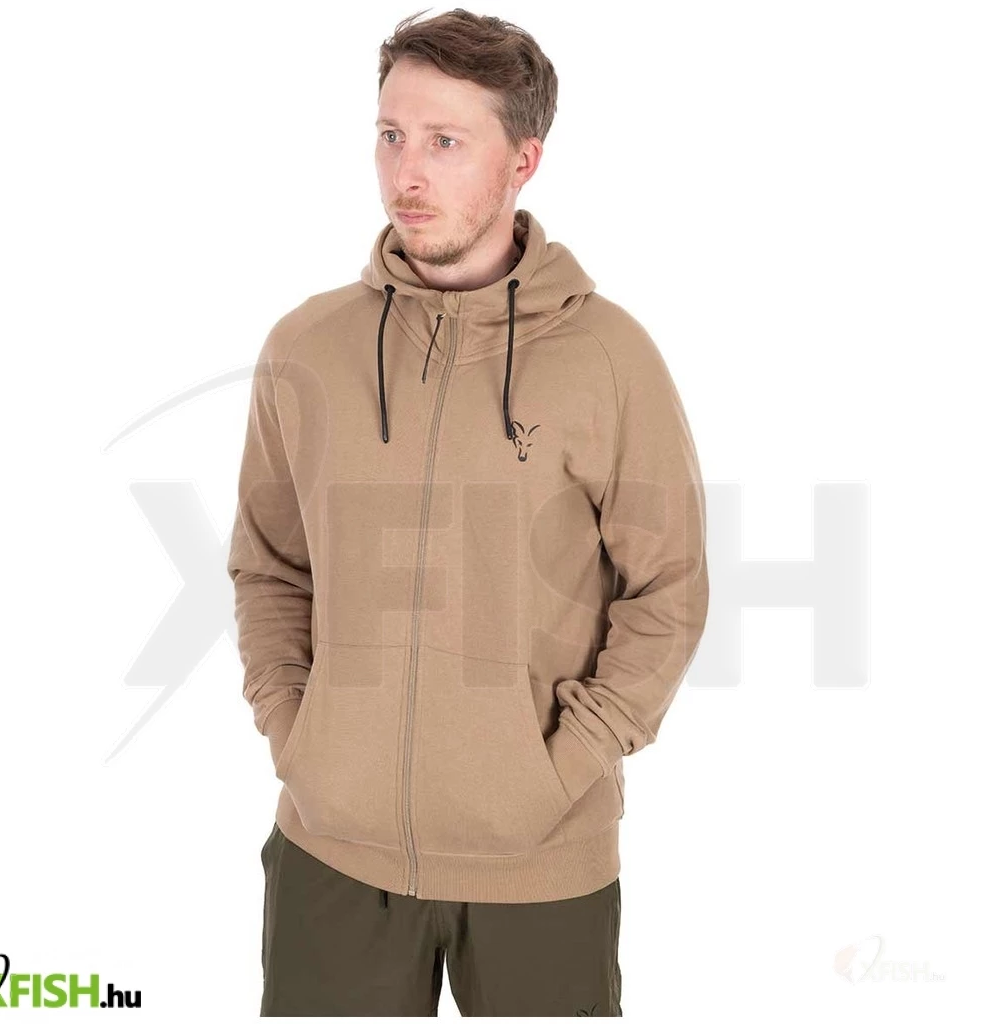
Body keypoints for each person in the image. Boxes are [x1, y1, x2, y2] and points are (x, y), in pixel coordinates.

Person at [227, 8, 709, 1016]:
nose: (406, 172)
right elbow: (270, 565)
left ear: (523, 160)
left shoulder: (609, 359)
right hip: (332, 858)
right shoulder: (306, 349)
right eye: (390, 134)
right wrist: (297, 736)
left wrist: (559, 770)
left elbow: (667, 592)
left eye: (445, 141)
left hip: (543, 868)